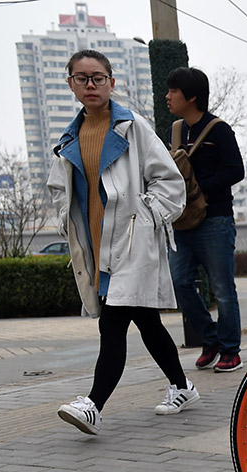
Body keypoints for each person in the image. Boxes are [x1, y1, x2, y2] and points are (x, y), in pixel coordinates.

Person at [48, 49, 198, 436]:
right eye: (81, 78)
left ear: (111, 82)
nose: (91, 84)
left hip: (132, 241)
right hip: (96, 245)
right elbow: (58, 189)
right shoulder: (69, 138)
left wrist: (147, 216)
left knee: (112, 324)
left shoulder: (132, 127)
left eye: (98, 77)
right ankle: (182, 386)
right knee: (147, 323)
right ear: (70, 84)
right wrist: (66, 219)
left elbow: (169, 180)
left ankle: (93, 405)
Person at [165, 67, 246, 372]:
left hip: (215, 220)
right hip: (183, 221)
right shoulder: (175, 131)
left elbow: (236, 170)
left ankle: (230, 350)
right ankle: (210, 338)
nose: (167, 96)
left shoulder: (219, 130)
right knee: (180, 283)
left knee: (223, 289)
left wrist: (199, 188)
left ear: (192, 96)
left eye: (173, 91)